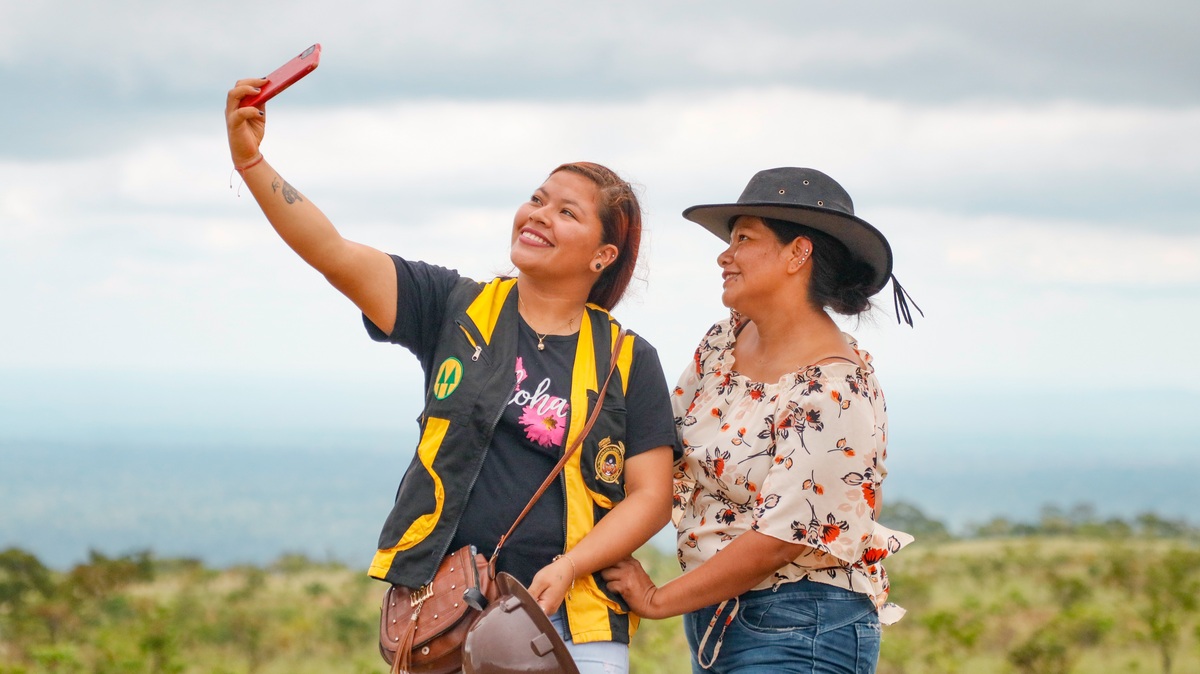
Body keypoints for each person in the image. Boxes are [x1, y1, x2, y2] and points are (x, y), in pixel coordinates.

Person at [224, 78, 679, 674]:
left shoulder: (627, 358)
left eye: (566, 212)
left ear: (603, 255)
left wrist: (569, 566)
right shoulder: (452, 309)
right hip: (452, 618)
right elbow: (332, 251)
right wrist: (251, 161)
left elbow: (652, 495)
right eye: (538, 199)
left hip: (578, 624)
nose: (538, 215)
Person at [602, 167, 916, 674]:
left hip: (804, 624)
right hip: (721, 618)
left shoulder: (836, 389)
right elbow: (662, 444)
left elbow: (781, 538)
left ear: (798, 254)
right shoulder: (726, 341)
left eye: (744, 238)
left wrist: (659, 599)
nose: (725, 255)